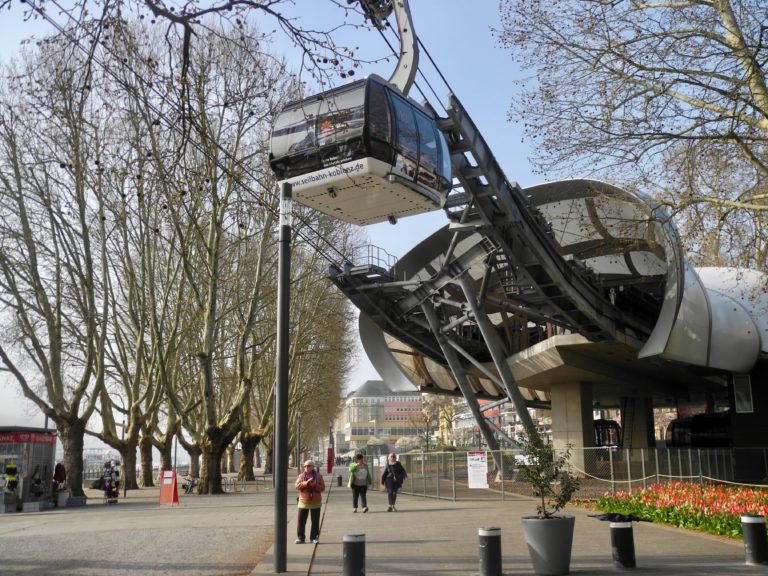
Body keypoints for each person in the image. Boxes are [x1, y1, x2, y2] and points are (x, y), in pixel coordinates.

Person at [294, 460, 325, 544]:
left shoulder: (319, 476)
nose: (306, 468)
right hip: (303, 501)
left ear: (313, 467)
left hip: (315, 501)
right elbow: (296, 486)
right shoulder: (301, 476)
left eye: (308, 466)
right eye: (305, 466)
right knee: (301, 521)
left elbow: (322, 488)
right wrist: (306, 483)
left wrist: (315, 484)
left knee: (315, 521)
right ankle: (301, 538)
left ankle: (314, 537)